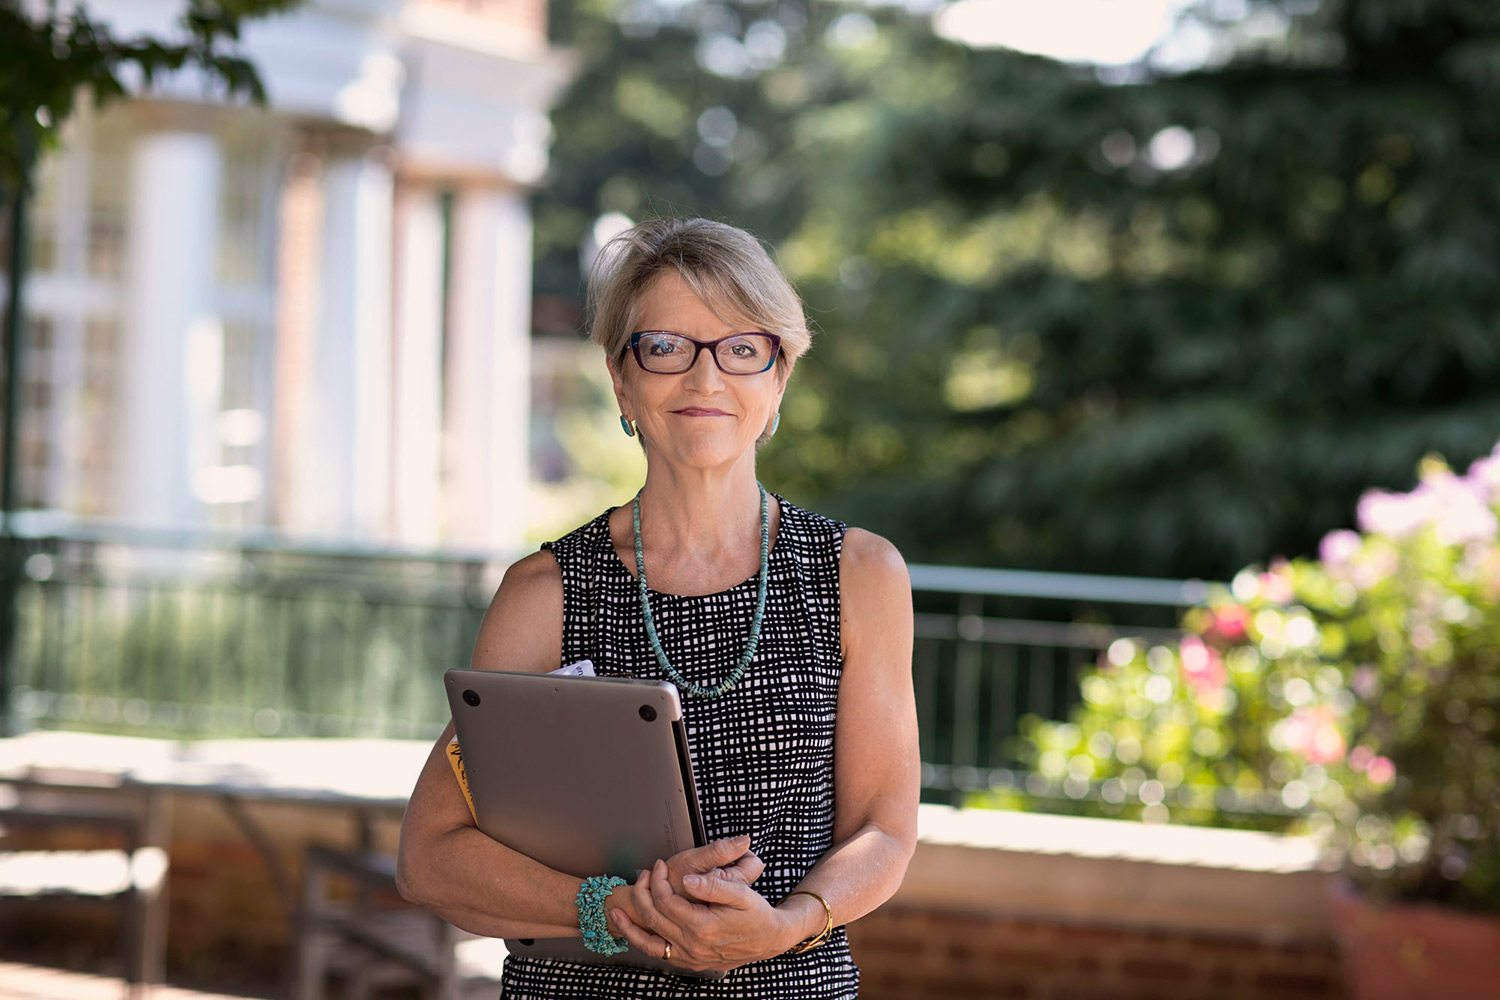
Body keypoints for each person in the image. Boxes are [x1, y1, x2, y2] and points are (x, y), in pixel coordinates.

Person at [396, 217, 919, 998]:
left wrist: (788, 922)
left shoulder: (859, 575)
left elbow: (884, 829)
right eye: (667, 347)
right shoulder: (545, 594)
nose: (707, 381)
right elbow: (430, 855)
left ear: (779, 377)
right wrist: (609, 908)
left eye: (743, 348)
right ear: (621, 379)